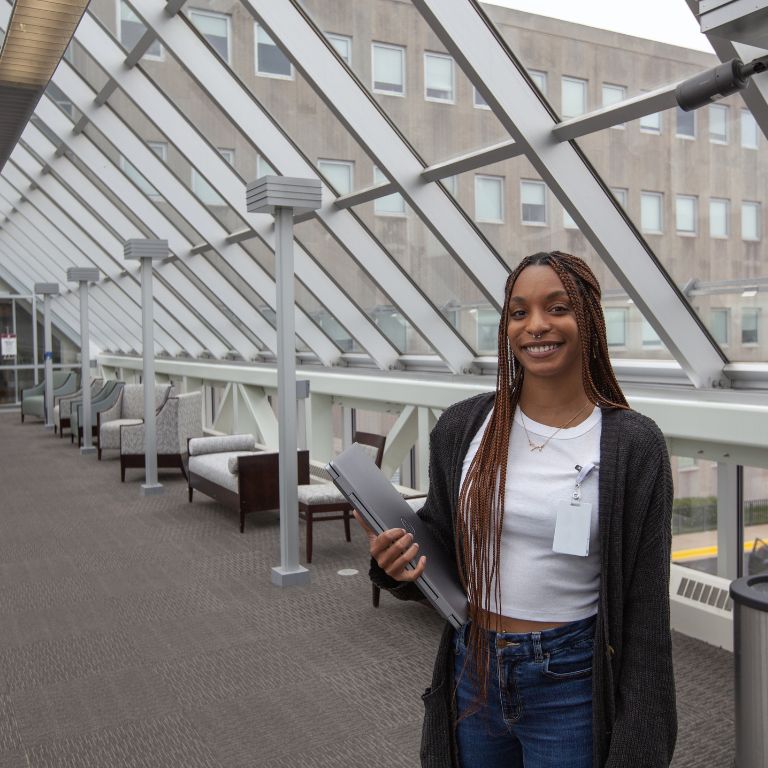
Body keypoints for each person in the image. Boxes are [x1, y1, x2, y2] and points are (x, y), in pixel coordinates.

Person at [356, 251, 676, 768]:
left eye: (557, 308)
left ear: (590, 318)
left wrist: (640, 742)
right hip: (473, 663)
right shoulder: (465, 427)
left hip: (572, 677)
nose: (537, 326)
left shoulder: (633, 444)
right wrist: (394, 564)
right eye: (519, 312)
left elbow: (645, 614)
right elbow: (440, 547)